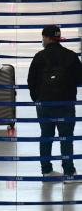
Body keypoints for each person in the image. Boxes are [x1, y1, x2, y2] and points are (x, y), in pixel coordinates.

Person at [28, 25, 82, 181]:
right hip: (66, 103)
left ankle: (46, 171)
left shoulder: (39, 56)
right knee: (66, 137)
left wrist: (37, 99)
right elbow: (80, 78)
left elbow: (31, 81)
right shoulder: (70, 56)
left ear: (46, 38)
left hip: (44, 104)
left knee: (46, 136)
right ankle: (69, 172)